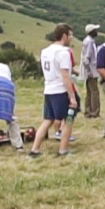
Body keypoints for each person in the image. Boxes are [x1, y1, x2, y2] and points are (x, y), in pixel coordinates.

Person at [30, 24, 78, 157]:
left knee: (48, 120)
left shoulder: (45, 51)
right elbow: (65, 76)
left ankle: (34, 150)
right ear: (64, 36)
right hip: (60, 90)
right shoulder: (63, 52)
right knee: (68, 120)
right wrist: (72, 97)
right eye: (70, 35)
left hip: (49, 89)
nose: (71, 38)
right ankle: (63, 150)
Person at [79, 24, 101, 119]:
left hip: (89, 70)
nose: (97, 32)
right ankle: (94, 112)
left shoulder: (88, 41)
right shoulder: (89, 42)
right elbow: (86, 58)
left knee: (89, 92)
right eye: (95, 30)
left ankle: (88, 111)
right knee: (94, 92)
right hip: (91, 70)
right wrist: (89, 71)